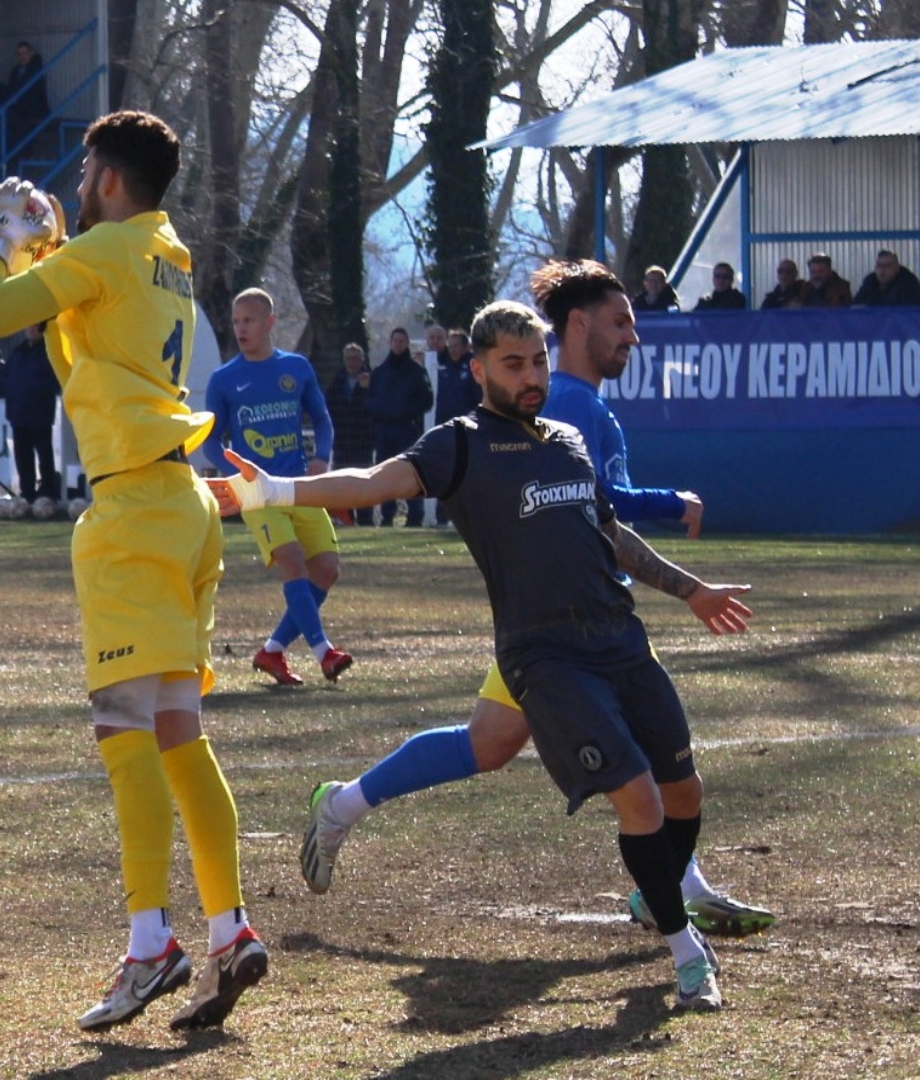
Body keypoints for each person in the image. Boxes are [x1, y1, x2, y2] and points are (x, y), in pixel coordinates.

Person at [210, 297, 756, 1012]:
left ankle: (340, 806)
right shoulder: (457, 444)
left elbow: (608, 529)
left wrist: (690, 591)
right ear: (478, 370)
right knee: (639, 795)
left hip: (614, 639)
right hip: (546, 655)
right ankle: (683, 941)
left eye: (537, 362)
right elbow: (373, 483)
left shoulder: (566, 436)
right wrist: (273, 490)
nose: (531, 377)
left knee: (618, 777)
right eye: (513, 365)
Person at [0, 112, 266, 1034]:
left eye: (86, 168)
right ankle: (229, 927)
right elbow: (80, 328)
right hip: (183, 509)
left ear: (103, 176)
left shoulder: (99, 254)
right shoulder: (162, 249)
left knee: (123, 732)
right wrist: (42, 245)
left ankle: (150, 943)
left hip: (132, 507)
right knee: (179, 730)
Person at [202, 287, 352, 687]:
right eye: (236, 322)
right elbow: (210, 439)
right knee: (291, 561)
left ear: (269, 322)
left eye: (248, 320)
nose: (240, 329)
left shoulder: (296, 369)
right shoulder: (224, 379)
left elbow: (321, 419)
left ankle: (272, 651)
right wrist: (232, 473)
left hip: (299, 485)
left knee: (327, 569)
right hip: (256, 492)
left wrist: (321, 456)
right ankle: (325, 653)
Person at [368, 327, 432, 526]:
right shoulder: (379, 372)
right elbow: (369, 399)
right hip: (384, 431)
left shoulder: (417, 372)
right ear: (390, 343)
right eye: (395, 340)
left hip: (407, 429)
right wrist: (381, 412)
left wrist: (406, 412)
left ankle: (415, 515)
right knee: (385, 473)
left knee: (410, 472)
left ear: (407, 344)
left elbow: (427, 400)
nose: (398, 344)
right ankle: (387, 516)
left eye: (402, 341)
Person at [5, 322, 61, 503]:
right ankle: (27, 493)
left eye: (34, 325)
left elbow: (53, 381)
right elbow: (10, 381)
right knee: (23, 457)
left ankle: (48, 492)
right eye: (27, 325)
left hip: (40, 412)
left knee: (44, 455)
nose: (29, 328)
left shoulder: (48, 351)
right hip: (19, 414)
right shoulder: (17, 353)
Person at [324, 342, 376, 527]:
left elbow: (374, 408)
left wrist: (364, 390)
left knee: (363, 483)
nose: (352, 362)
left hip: (362, 440)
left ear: (362, 360)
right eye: (348, 358)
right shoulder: (336, 381)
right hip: (342, 440)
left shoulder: (372, 380)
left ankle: (366, 520)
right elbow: (329, 408)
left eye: (355, 358)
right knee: (342, 482)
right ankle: (345, 520)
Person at [852, 249, 920, 306]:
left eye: (887, 266)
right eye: (879, 265)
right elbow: (857, 302)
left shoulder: (908, 280)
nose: (882, 270)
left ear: (897, 267)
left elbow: (909, 306)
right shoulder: (870, 280)